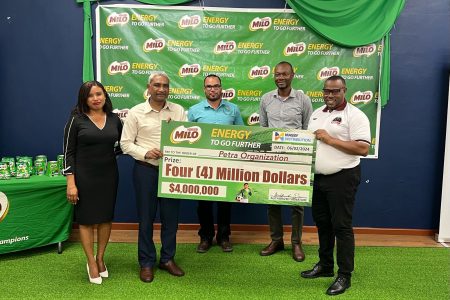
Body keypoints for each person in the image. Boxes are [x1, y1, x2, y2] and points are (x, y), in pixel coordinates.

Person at [301, 75, 370, 296]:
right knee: (322, 223)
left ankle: (345, 275)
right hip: (319, 178)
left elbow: (362, 149)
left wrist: (331, 140)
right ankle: (325, 266)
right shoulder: (317, 113)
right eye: (326, 91)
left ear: (344, 91)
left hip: (343, 177)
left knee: (341, 226)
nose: (330, 95)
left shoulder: (356, 115)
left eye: (335, 91)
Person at [120, 72, 186, 283]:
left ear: (169, 88)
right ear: (148, 87)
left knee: (171, 219)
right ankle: (146, 262)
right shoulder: (136, 112)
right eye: (157, 85)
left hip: (172, 171)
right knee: (146, 218)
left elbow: (188, 139)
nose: (161, 89)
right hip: (145, 169)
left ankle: (167, 258)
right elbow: (125, 143)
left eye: (165, 85)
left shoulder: (178, 111)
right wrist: (145, 152)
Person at [63, 80, 123, 285]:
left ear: (105, 96)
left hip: (109, 175)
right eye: (90, 95)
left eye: (99, 94)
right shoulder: (76, 120)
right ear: (84, 99)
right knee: (87, 220)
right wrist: (71, 182)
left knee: (106, 218)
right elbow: (68, 153)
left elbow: (122, 145)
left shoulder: (115, 119)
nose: (95, 98)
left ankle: (100, 257)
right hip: (84, 177)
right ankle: (91, 262)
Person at [259, 61, 313, 262]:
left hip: (296, 158)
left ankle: (296, 243)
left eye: (284, 74)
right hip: (273, 157)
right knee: (272, 200)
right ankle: (276, 240)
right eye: (277, 74)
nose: (280, 77)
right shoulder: (266, 99)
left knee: (296, 203)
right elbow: (264, 129)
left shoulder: (303, 99)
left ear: (292, 75)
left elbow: (308, 128)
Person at [188, 74, 244, 253]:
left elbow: (242, 135)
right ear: (204, 89)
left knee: (225, 203)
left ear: (221, 88)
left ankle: (224, 237)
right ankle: (205, 237)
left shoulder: (233, 109)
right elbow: (186, 137)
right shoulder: (194, 111)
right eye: (209, 86)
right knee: (203, 203)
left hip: (226, 166)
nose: (212, 89)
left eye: (216, 86)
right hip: (202, 167)